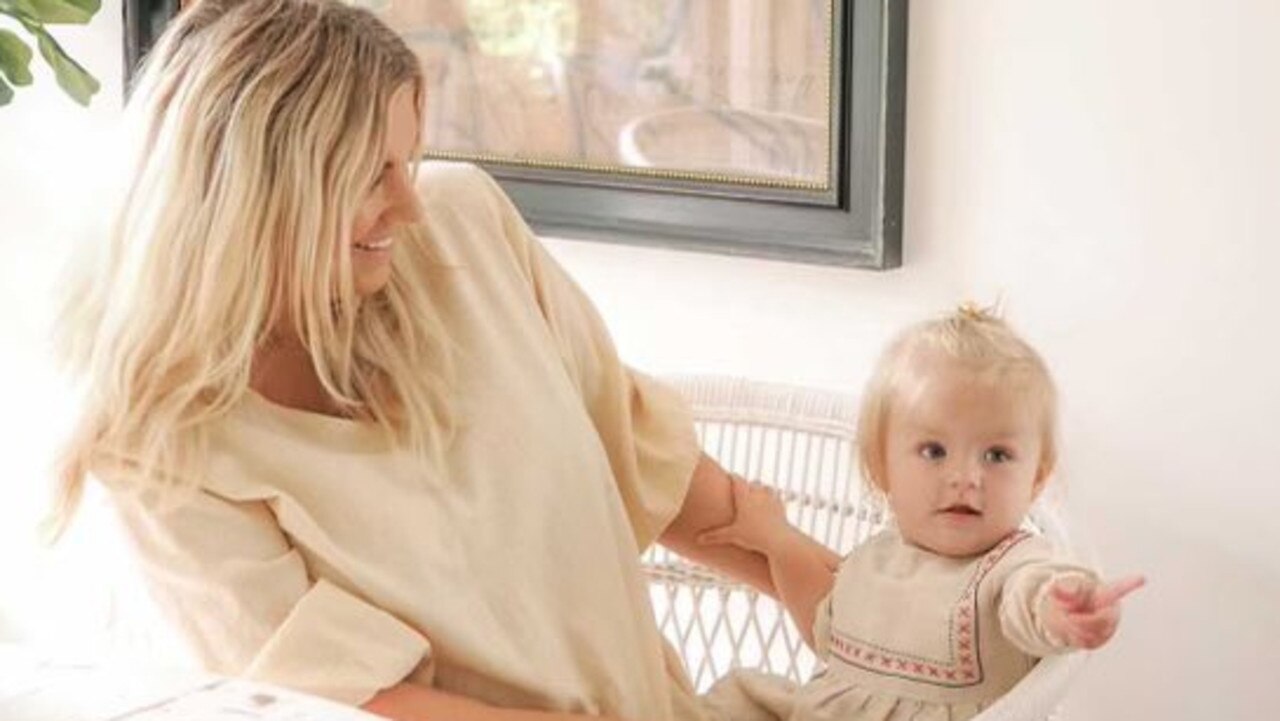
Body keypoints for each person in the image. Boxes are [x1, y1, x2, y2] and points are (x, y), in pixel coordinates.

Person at [48, 0, 836, 719]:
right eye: (370, 176)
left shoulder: (462, 231)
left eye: (411, 160)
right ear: (254, 191)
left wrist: (902, 622)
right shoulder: (157, 440)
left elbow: (649, 462)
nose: (411, 203)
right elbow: (346, 701)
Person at [695, 306, 1145, 721]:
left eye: (997, 455)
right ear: (881, 468)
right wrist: (777, 540)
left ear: (1037, 479)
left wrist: (1061, 608)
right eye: (934, 451)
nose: (965, 477)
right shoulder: (876, 557)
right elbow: (827, 629)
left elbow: (1027, 600)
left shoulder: (1010, 566)